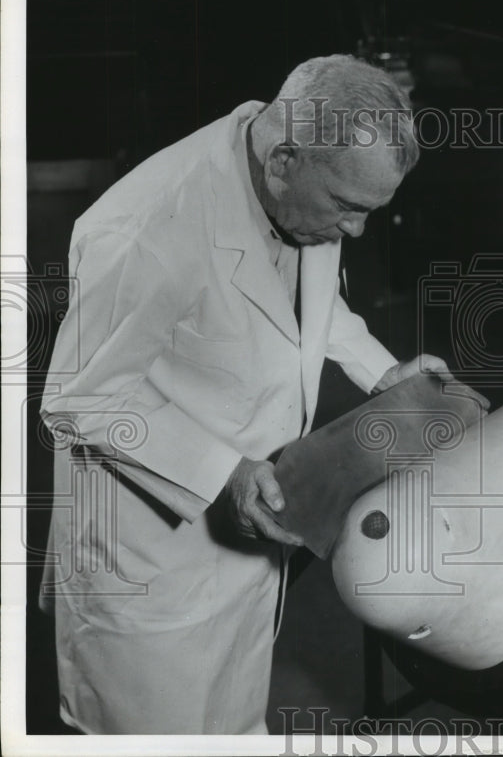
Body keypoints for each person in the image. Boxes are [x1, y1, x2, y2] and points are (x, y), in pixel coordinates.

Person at [39, 54, 448, 734]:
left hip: (247, 545)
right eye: (350, 208)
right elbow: (79, 397)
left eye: (371, 211)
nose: (357, 232)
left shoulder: (304, 183)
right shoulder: (150, 227)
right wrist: (223, 471)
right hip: (150, 568)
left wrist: (382, 372)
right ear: (285, 159)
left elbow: (308, 310)